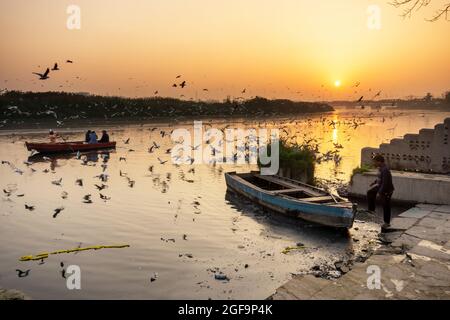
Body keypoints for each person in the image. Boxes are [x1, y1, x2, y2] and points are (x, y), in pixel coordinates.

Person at [367, 154, 395, 229]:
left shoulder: (385, 170)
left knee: (386, 206)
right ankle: (371, 210)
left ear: (379, 162)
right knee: (370, 192)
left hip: (387, 190)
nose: (374, 163)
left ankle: (387, 223)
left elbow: (385, 183)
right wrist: (374, 182)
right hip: (381, 186)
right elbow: (379, 178)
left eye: (375, 162)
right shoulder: (381, 168)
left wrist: (380, 192)